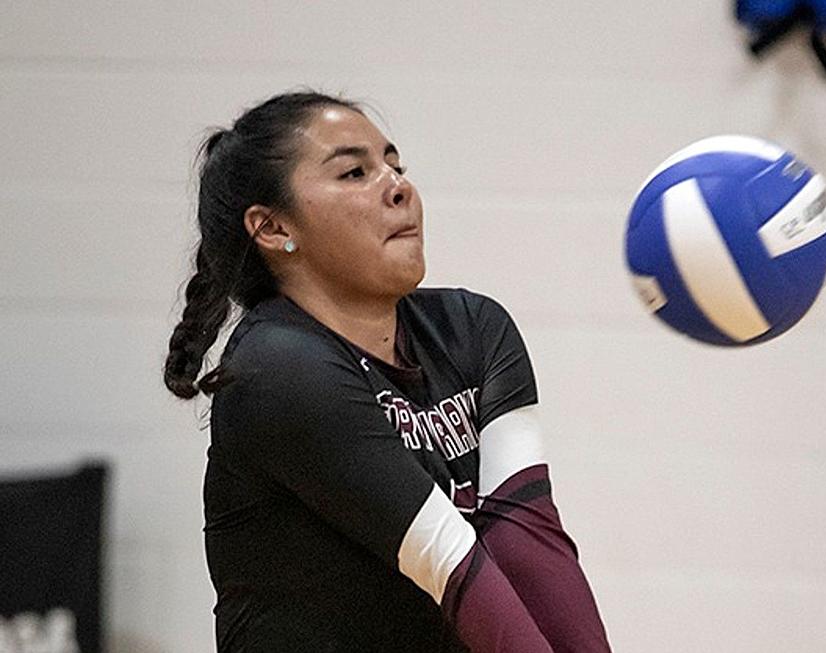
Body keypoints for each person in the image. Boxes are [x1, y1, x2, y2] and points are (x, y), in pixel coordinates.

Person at [163, 90, 612, 652]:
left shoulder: (474, 329)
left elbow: (527, 539)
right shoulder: (278, 369)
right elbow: (449, 560)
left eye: (395, 166)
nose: (398, 187)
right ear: (274, 229)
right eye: (354, 173)